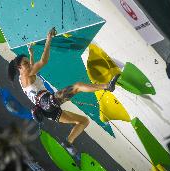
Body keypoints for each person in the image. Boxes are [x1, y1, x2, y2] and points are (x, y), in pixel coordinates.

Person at [8, 28, 120, 156]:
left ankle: (68, 142)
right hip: (46, 102)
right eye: (25, 63)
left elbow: (32, 69)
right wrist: (48, 40)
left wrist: (31, 54)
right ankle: (108, 86)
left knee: (83, 121)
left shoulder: (22, 78)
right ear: (19, 68)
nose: (28, 64)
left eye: (28, 62)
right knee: (77, 86)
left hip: (47, 112)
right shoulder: (27, 73)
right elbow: (43, 62)